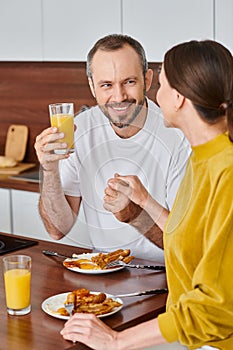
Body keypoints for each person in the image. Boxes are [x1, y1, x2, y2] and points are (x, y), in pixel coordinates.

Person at [60, 40, 233, 349]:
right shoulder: (202, 158)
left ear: (179, 98)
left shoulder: (226, 172)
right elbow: (189, 239)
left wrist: (116, 340)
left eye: (161, 82)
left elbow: (215, 309)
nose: (153, 93)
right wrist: (144, 201)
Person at [34, 34, 190, 262]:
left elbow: (187, 243)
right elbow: (57, 229)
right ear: (92, 86)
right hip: (103, 271)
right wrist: (49, 171)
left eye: (129, 82)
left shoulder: (178, 135)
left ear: (147, 80)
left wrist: (136, 216)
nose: (119, 97)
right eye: (107, 85)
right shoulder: (80, 129)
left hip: (166, 274)